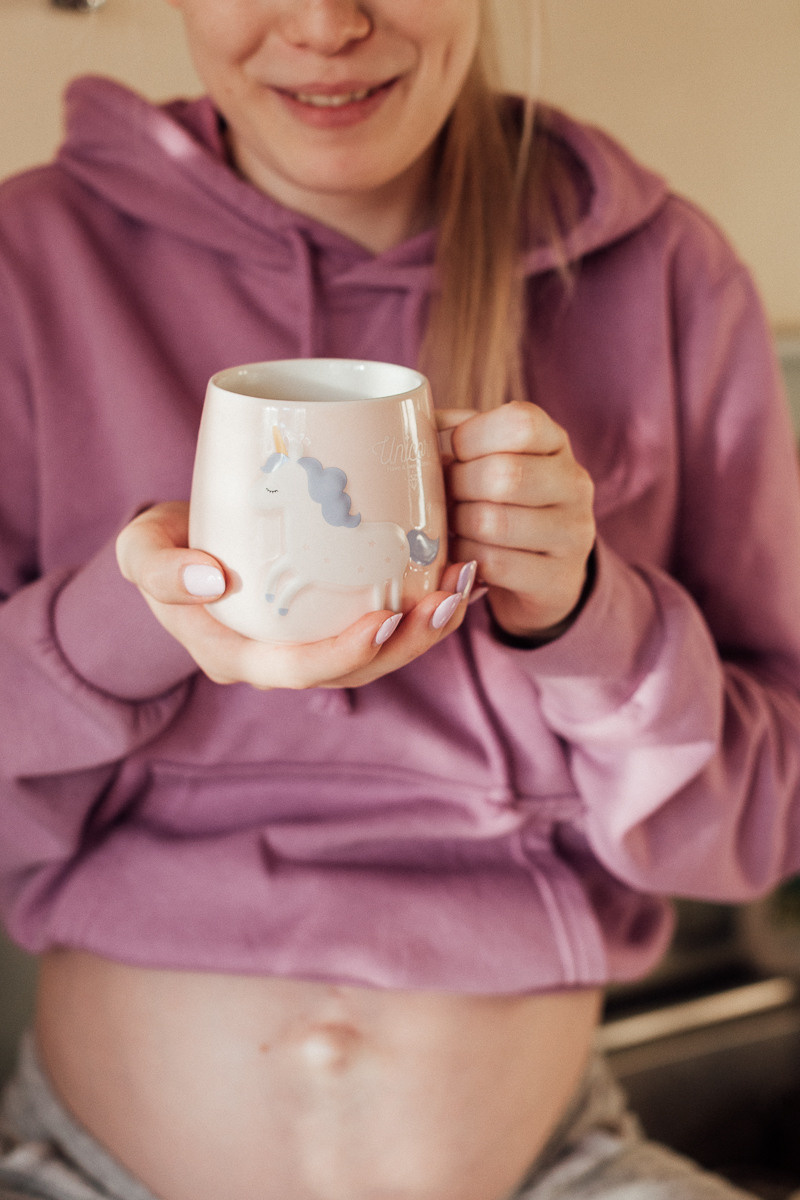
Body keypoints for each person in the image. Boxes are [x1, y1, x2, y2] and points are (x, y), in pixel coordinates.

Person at [1, 2, 799, 1198]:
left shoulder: (663, 275)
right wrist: (120, 626)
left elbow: (756, 830)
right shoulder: (27, 266)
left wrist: (585, 620)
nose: (325, 23)